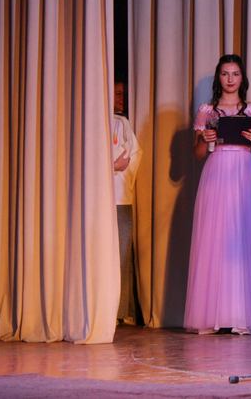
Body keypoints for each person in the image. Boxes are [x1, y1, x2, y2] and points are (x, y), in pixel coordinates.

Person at [184, 54, 251, 334]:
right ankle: (211, 316)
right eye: (225, 74)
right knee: (214, 240)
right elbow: (197, 154)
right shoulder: (207, 111)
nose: (230, 79)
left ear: (242, 78)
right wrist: (205, 139)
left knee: (241, 240)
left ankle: (241, 316)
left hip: (244, 173)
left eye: (235, 74)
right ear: (219, 77)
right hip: (216, 173)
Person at [112, 81, 142, 326]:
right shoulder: (92, 121)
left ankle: (120, 311)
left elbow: (131, 158)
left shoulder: (122, 123)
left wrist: (115, 169)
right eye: (117, 94)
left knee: (121, 255)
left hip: (120, 198)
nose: (121, 98)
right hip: (98, 201)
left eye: (123, 94)